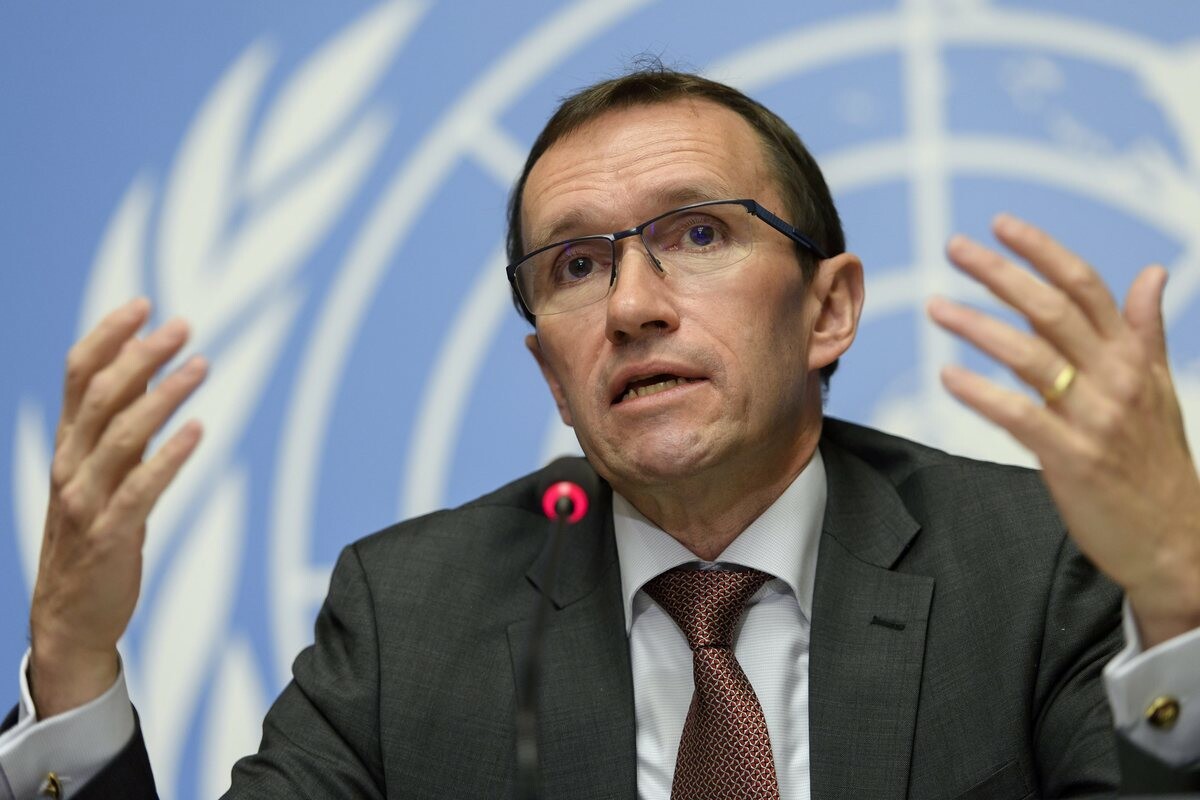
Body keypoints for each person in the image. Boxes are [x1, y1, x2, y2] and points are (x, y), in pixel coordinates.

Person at [3, 67, 1199, 799]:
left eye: (697, 234)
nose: (631, 305)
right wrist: (70, 665)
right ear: (553, 373)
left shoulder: (1039, 565)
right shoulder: (408, 616)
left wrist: (1181, 601)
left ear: (828, 309)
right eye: (576, 265)